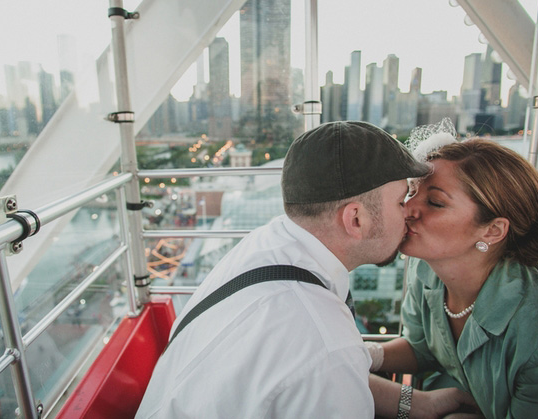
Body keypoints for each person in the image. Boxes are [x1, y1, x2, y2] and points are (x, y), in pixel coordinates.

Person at [136, 121, 475, 418]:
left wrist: (418, 404)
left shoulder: (266, 245)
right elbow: (323, 362)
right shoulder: (321, 337)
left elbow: (313, 373)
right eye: (401, 200)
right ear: (356, 219)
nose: (409, 212)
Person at [367, 131, 538, 418]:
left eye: (434, 202)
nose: (407, 208)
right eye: (411, 191)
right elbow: (422, 349)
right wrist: (364, 356)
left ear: (492, 230)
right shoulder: (427, 271)